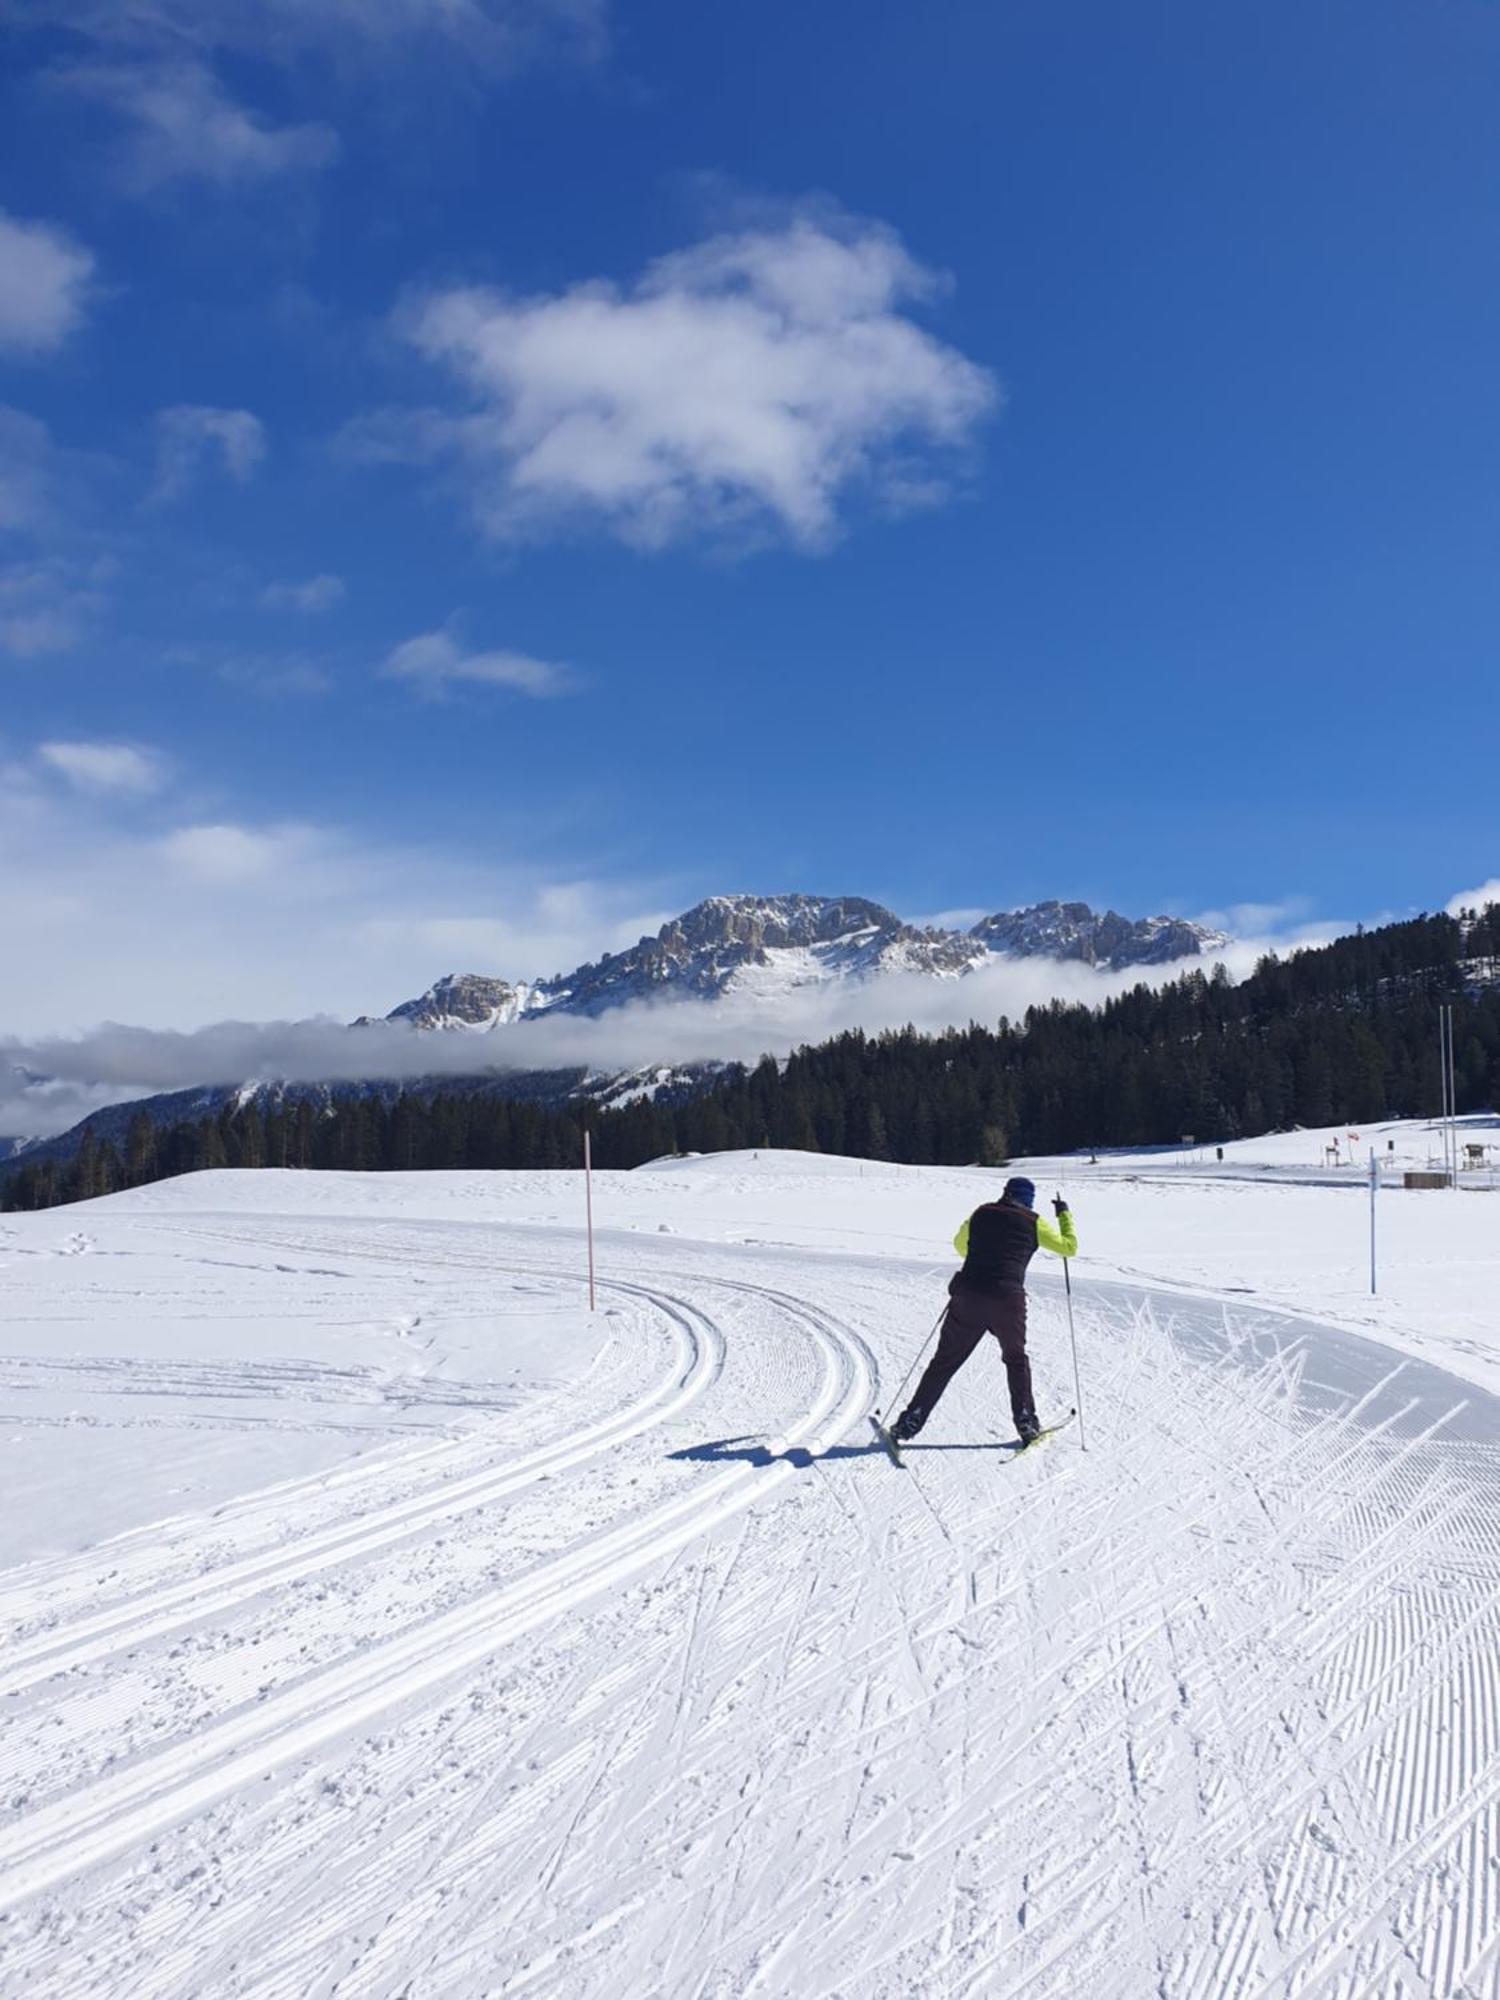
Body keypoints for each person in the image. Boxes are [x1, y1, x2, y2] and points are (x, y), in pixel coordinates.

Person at [891, 1177, 1077, 1447]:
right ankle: (1026, 1420)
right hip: (1008, 1302)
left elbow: (959, 1246)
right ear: (1029, 1200)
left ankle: (911, 1420)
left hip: (969, 1296)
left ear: (1005, 1193)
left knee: (944, 1362)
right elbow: (1069, 1248)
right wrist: (1064, 1215)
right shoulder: (1034, 1221)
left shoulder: (981, 1212)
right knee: (1015, 1359)